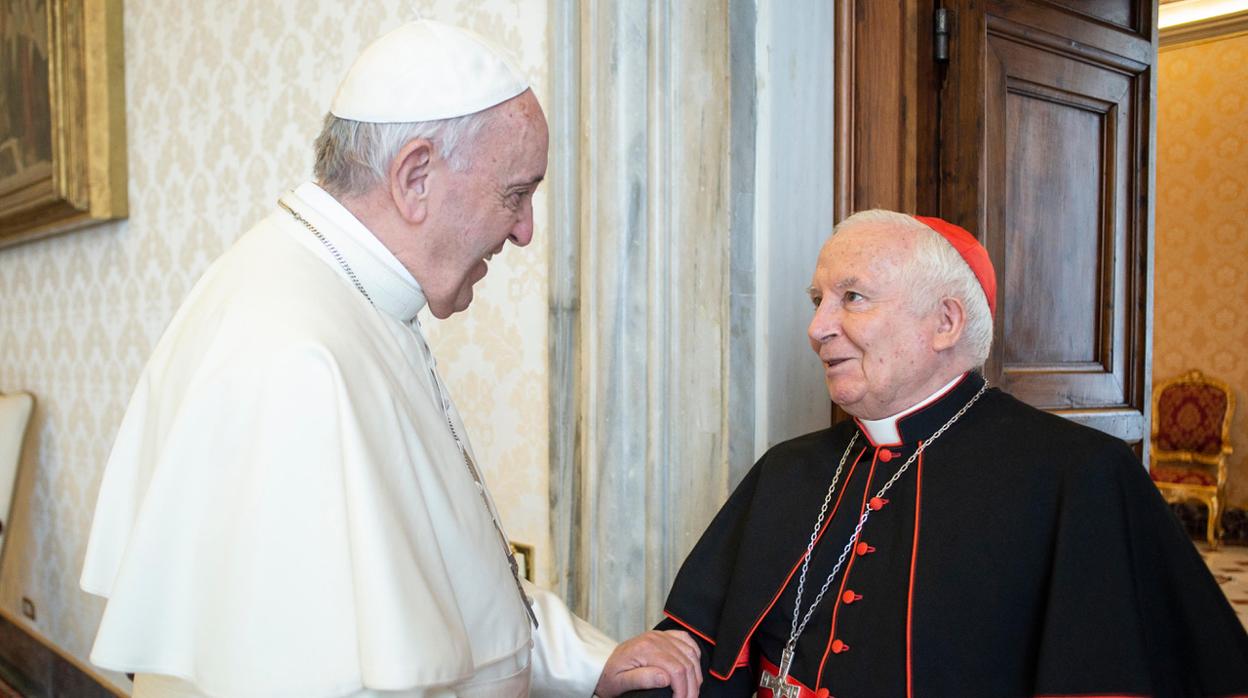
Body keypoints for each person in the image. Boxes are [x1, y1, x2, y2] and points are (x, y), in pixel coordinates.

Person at [79, 19, 701, 698]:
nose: (524, 231)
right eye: (515, 194)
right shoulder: (292, 354)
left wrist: (588, 662)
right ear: (415, 176)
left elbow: (437, 579)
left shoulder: (348, 297)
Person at [633, 210, 1248, 697]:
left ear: (946, 322)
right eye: (816, 299)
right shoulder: (788, 469)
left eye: (852, 298)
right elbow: (691, 643)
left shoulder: (1079, 478)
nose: (817, 327)